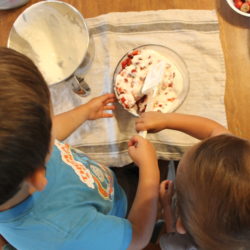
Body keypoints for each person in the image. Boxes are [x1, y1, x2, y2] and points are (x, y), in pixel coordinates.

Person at [0, 47, 160, 250]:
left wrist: (83, 112)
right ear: (38, 177)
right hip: (119, 213)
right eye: (49, 124)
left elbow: (46, 133)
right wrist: (150, 170)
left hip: (98, 184)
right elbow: (137, 237)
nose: (53, 126)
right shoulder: (65, 230)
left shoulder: (20, 160)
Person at [135, 112, 250, 250]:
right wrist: (166, 120)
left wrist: (166, 209)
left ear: (181, 223)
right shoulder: (234, 158)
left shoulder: (178, 245)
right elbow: (213, 130)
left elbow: (171, 232)